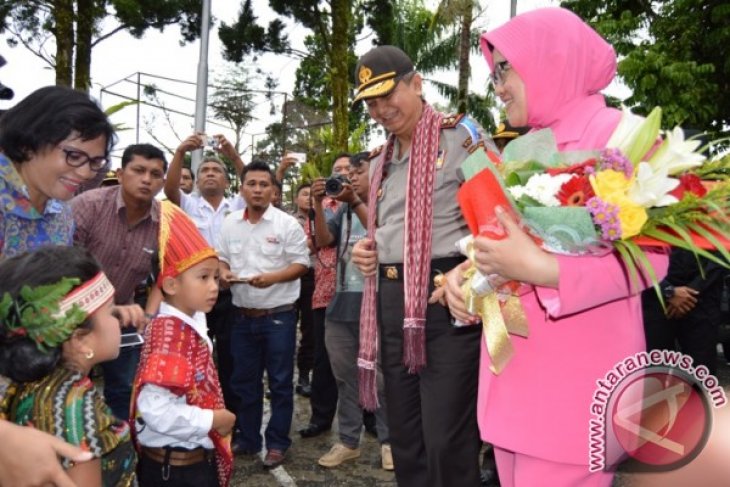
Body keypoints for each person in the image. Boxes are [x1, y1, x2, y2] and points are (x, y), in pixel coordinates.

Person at [445, 8, 669, 486]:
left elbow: (651, 259)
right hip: (512, 381)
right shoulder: (521, 150)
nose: (498, 85)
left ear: (551, 58)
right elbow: (504, 248)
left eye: (506, 68)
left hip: (575, 389)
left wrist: (545, 270)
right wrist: (468, 279)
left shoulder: (621, 135)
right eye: (494, 71)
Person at [350, 45, 495, 486]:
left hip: (447, 297)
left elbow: (500, 217)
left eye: (387, 95)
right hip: (391, 302)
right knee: (406, 436)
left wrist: (469, 271)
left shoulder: (462, 138)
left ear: (417, 84)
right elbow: (388, 232)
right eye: (371, 103)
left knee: (446, 435)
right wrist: (366, 253)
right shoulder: (379, 161)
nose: (379, 110)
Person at [0, 246, 137, 486]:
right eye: (110, 311)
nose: (120, 319)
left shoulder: (40, 383)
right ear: (81, 340)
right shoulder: (74, 409)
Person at [131, 201, 235, 487]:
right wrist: (213, 420)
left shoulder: (190, 319)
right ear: (172, 285)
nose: (214, 286)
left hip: (184, 462)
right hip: (177, 471)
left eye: (215, 277)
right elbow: (156, 410)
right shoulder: (172, 337)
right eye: (203, 277)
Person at [217, 161, 309, 469]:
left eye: (263, 184)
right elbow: (221, 260)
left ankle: (277, 443)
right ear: (241, 188)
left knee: (281, 382)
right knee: (245, 382)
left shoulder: (286, 224)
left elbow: (301, 264)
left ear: (273, 189)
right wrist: (224, 273)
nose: (257, 189)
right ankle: (250, 438)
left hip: (278, 318)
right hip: (242, 317)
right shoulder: (229, 222)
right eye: (251, 184)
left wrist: (271, 278)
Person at [311, 152, 393, 470]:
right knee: (346, 378)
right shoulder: (342, 208)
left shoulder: (388, 202)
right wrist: (318, 204)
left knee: (382, 376)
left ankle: (389, 442)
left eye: (357, 170)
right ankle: (348, 441)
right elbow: (322, 240)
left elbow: (383, 230)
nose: (350, 176)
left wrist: (357, 199)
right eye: (345, 171)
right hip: (341, 306)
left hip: (378, 305)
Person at [72, 143, 167, 419]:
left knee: (124, 391)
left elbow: (167, 273)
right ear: (120, 172)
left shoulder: (164, 221)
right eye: (139, 170)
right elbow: (63, 267)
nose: (147, 179)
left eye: (155, 173)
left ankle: (120, 456)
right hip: (72, 318)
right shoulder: (88, 206)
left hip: (124, 317)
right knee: (69, 390)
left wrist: (149, 314)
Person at [164, 134, 246, 415]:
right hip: (193, 298)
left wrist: (233, 156)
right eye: (205, 171)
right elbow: (170, 189)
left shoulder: (237, 206)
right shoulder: (187, 205)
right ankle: (195, 414)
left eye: (217, 171)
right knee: (193, 354)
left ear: (226, 180)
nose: (210, 174)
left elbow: (251, 182)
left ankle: (229, 417)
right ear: (197, 181)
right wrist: (181, 152)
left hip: (228, 295)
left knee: (231, 358)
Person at [0, 85, 115, 258]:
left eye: (95, 161)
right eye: (74, 156)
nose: (85, 173)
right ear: (29, 143)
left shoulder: (62, 216)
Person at [298, 153, 349, 440]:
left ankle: (370, 419)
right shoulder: (320, 206)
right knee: (324, 359)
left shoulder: (369, 201)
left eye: (347, 170)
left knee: (365, 357)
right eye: (336, 170)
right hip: (325, 292)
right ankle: (321, 418)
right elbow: (318, 242)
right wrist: (317, 202)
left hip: (363, 291)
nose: (342, 174)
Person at [643, 249, 726, 375]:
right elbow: (635, 256)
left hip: (702, 298)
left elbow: (722, 253)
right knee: (655, 372)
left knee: (701, 372)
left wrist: (692, 291)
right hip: (656, 299)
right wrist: (667, 290)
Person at [292, 183, 316, 397]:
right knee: (286, 329)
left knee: (309, 330)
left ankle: (304, 376)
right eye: (304, 194)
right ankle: (276, 381)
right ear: (296, 198)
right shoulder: (287, 221)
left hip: (313, 278)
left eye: (312, 194)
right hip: (289, 277)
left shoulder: (323, 219)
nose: (308, 198)